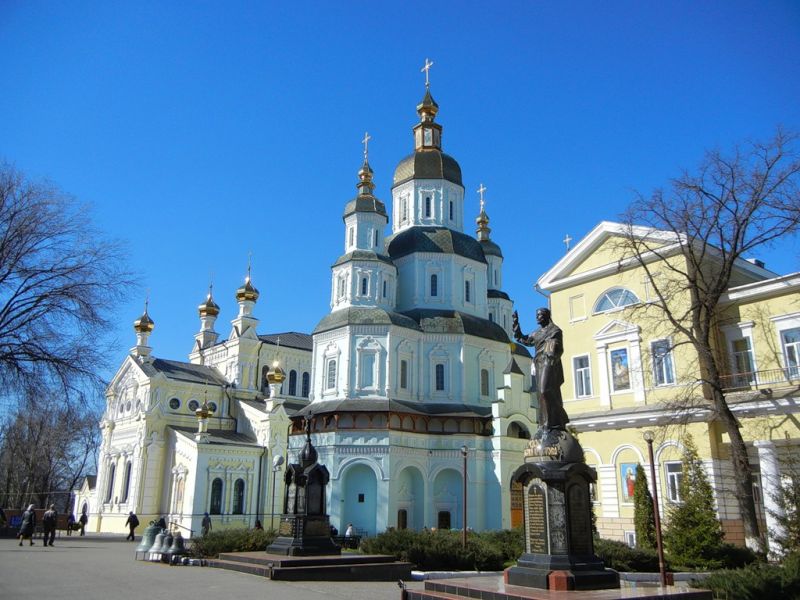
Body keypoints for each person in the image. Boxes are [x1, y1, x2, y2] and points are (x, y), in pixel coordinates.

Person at [512, 308, 569, 430]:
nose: (537, 317)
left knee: (545, 390)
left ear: (547, 316)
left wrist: (553, 350)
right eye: (536, 315)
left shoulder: (555, 331)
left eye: (540, 315)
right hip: (539, 364)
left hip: (550, 363)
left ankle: (553, 420)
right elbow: (523, 339)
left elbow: (560, 348)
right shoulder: (536, 333)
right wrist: (516, 325)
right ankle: (544, 422)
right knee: (540, 394)